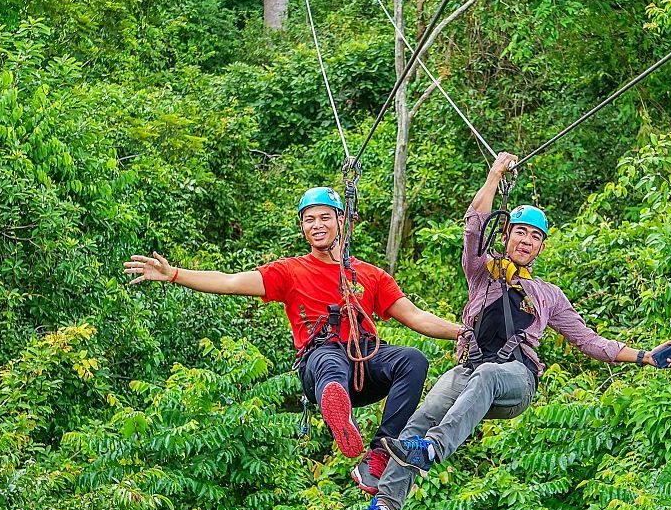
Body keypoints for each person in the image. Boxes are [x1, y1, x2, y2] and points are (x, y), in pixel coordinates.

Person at [344, 152, 671, 510]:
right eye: (520, 232)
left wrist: (645, 356)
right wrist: (494, 175)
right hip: (470, 370)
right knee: (421, 417)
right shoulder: (482, 272)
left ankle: (433, 450)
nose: (526, 240)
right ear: (506, 236)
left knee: (487, 376)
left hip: (515, 379)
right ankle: (384, 509)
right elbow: (474, 226)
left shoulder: (547, 295)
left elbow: (591, 342)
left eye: (535, 237)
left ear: (540, 248)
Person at [124, 187, 460, 494]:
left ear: (341, 221)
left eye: (324, 217)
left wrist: (463, 332)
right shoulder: (290, 271)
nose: (316, 225)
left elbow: (416, 317)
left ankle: (379, 453)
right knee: (330, 360)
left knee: (413, 359)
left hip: (365, 363)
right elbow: (229, 281)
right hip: (321, 361)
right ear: (302, 228)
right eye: (309, 219)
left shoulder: (370, 275)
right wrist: (175, 274)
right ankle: (336, 408)